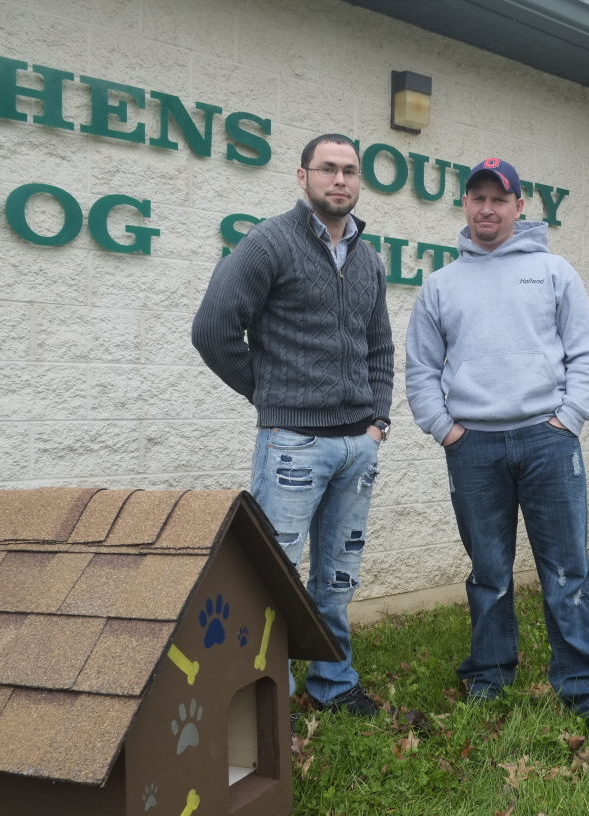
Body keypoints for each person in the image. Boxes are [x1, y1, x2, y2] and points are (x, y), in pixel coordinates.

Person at [404, 157, 589, 742]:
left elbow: (584, 352)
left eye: (498, 200)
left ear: (519, 206)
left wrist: (569, 419)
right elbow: (422, 368)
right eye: (476, 198)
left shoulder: (554, 272)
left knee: (567, 571)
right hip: (472, 446)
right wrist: (444, 428)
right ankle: (489, 678)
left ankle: (585, 689)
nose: (486, 209)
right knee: (490, 573)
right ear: (465, 206)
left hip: (546, 441)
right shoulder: (441, 284)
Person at [193, 133, 393, 716]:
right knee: (274, 578)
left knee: (336, 579)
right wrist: (272, 395)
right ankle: (266, 698)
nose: (340, 180)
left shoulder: (368, 259)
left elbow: (379, 346)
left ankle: (333, 684)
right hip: (293, 446)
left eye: (350, 171)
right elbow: (212, 330)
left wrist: (377, 421)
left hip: (357, 446)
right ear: (301, 176)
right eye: (327, 169)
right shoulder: (268, 244)